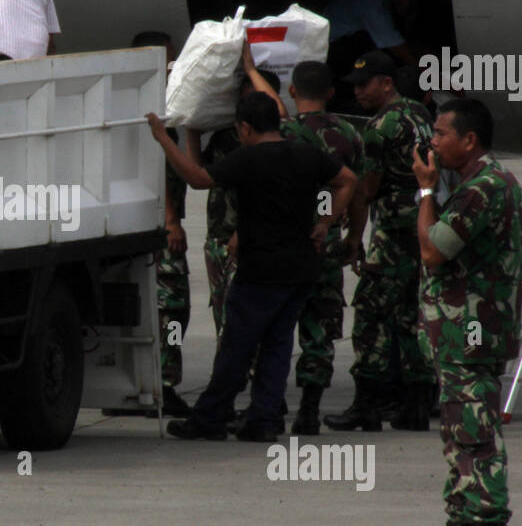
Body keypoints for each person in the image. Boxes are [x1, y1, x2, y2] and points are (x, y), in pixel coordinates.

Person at [148, 93, 357, 441]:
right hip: (300, 270)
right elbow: (348, 180)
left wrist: (163, 139)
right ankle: (263, 420)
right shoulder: (305, 152)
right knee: (276, 347)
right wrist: (324, 223)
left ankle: (210, 418)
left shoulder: (247, 159)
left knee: (236, 348)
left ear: (244, 127)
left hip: (260, 271)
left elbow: (198, 179)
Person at [406, 98, 522, 526]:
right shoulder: (474, 185)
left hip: (472, 336)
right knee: (459, 440)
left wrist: (426, 190)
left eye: (440, 133)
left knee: (475, 443)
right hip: (457, 338)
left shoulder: (486, 189)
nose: (432, 142)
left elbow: (433, 250)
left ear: (469, 140)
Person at [325, 51, 435, 432]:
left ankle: (366, 404)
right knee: (410, 318)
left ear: (386, 82)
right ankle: (417, 403)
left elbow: (367, 189)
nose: (357, 91)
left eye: (364, 84)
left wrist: (349, 228)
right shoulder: (418, 114)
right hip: (421, 226)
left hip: (391, 234)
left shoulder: (379, 126)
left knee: (371, 314)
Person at [105, 31, 192, 418]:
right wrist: (172, 219)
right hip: (158, 228)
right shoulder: (154, 109)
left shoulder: (122, 101)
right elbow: (158, 169)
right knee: (172, 311)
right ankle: (165, 385)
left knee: (139, 311)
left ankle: (132, 388)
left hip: (127, 228)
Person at [279, 61, 367, 434]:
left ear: (293, 91)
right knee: (320, 328)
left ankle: (268, 401)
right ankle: (309, 411)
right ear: (332, 93)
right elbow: (358, 195)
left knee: (276, 324)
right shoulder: (350, 134)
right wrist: (352, 237)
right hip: (326, 244)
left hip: (283, 243)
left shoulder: (281, 134)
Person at [186, 52, 284, 340]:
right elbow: (199, 176)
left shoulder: (277, 140)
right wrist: (192, 131)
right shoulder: (226, 137)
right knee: (223, 313)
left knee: (248, 312)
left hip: (250, 239)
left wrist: (251, 69)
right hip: (218, 237)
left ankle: (249, 371)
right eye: (244, 97)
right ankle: (231, 373)